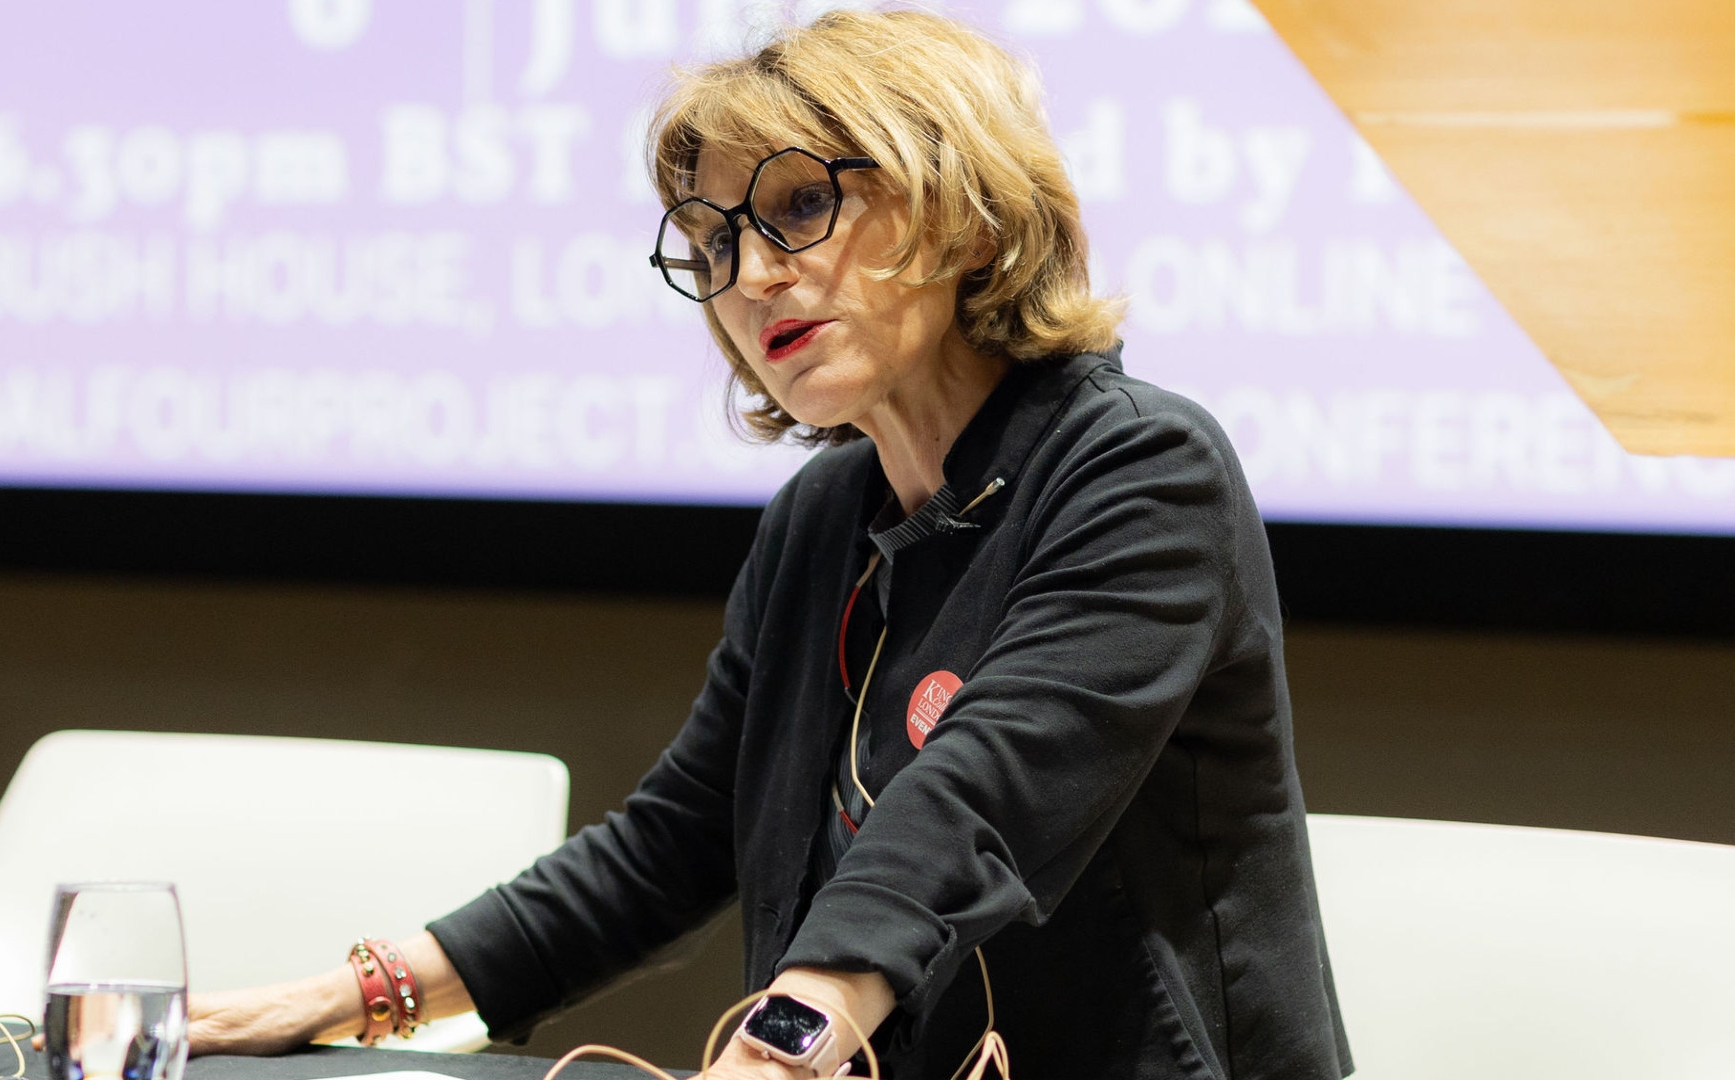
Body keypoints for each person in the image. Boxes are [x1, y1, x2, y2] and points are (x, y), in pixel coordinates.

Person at [190, 10, 1352, 1079]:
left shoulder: (1140, 470)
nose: (749, 277)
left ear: (965, 206)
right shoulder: (823, 517)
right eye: (709, 242)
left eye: (802, 207)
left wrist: (780, 1044)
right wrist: (347, 997)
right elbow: (670, 847)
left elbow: (975, 805)